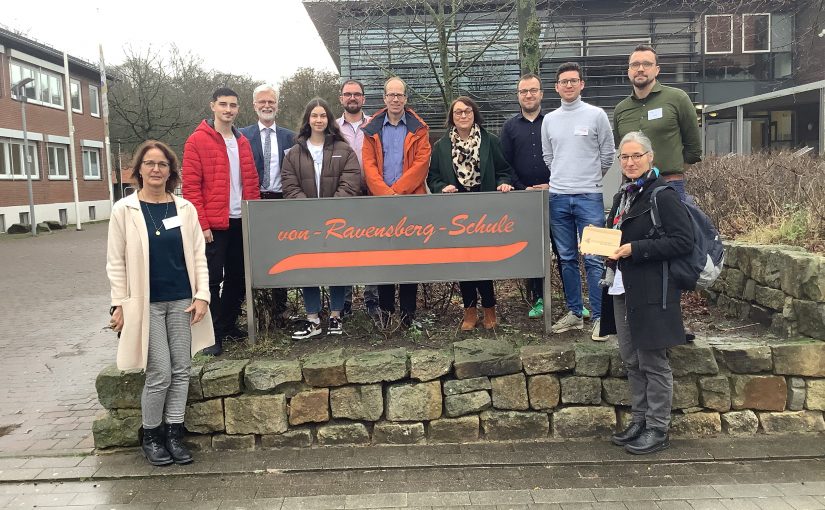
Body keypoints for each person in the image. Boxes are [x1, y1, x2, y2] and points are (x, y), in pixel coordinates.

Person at [107, 140, 214, 466]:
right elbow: (115, 262)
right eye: (150, 164)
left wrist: (203, 295)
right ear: (139, 169)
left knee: (182, 369)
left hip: (182, 300)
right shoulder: (124, 210)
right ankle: (151, 435)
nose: (156, 169)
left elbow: (198, 255)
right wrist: (119, 304)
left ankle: (174, 433)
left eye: (162, 164)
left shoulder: (184, 209)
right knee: (159, 373)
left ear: (171, 171)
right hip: (146, 304)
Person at [597, 131, 693, 455]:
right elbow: (617, 235)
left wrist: (634, 249)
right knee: (631, 358)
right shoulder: (623, 195)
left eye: (637, 156)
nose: (630, 162)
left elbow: (683, 241)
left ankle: (658, 428)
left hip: (653, 290)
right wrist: (604, 247)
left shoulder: (662, 195)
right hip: (622, 286)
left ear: (650, 157)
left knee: (653, 360)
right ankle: (639, 420)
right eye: (625, 157)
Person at [182, 87, 260, 356]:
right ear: (212, 106)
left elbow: (251, 183)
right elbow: (191, 187)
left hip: (242, 220)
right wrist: (201, 224)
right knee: (212, 279)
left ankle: (227, 325)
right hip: (214, 224)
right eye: (223, 104)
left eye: (233, 105)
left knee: (239, 276)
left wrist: (254, 218)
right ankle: (210, 334)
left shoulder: (242, 142)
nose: (228, 110)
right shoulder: (197, 141)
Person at [541, 62, 615, 340]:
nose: (568, 85)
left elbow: (608, 155)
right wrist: (564, 180)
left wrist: (588, 180)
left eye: (573, 80)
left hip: (589, 197)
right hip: (558, 197)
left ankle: (599, 317)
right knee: (566, 258)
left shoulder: (597, 115)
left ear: (582, 84)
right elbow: (550, 158)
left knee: (594, 259)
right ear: (557, 87)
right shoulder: (549, 120)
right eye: (563, 81)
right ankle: (575, 312)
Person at [427, 96, 513, 331]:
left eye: (467, 111)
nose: (463, 115)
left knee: (483, 260)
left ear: (474, 113)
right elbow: (433, 177)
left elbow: (504, 170)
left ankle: (490, 309)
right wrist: (440, 187)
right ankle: (469, 311)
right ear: (451, 117)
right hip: (456, 213)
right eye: (458, 112)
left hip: (484, 211)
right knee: (463, 261)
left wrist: (503, 183)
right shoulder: (442, 146)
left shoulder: (489, 140)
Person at [281, 98, 361, 339]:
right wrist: (308, 211)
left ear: (329, 120)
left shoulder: (343, 149)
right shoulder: (294, 152)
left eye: (323, 116)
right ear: (308, 119)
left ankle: (336, 316)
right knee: (309, 268)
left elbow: (351, 181)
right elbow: (289, 184)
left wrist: (331, 210)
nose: (318, 120)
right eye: (314, 116)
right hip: (306, 223)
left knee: (337, 267)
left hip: (336, 223)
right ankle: (313, 319)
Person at [362, 76, 432, 329]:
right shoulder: (371, 128)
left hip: (410, 203)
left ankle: (408, 315)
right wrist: (385, 194)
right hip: (380, 205)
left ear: (405, 98)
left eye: (399, 95)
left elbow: (421, 165)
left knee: (409, 260)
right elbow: (368, 165)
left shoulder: (419, 128)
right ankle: (387, 313)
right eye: (390, 95)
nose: (395, 99)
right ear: (384, 98)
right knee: (385, 259)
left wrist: (397, 193)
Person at [499, 73, 565, 320]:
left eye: (533, 90)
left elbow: (563, 157)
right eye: (524, 91)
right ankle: (538, 298)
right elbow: (505, 164)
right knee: (535, 252)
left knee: (563, 250)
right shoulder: (509, 127)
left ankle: (572, 300)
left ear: (541, 93)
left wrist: (553, 183)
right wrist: (521, 188)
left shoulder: (554, 122)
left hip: (555, 194)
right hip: (526, 199)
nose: (528, 95)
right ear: (518, 96)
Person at [613, 44, 702, 203]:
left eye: (646, 64)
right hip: (632, 188)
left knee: (673, 228)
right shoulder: (621, 109)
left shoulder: (677, 99)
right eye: (635, 65)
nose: (640, 69)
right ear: (628, 71)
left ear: (657, 70)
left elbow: (693, 150)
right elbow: (621, 152)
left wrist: (672, 172)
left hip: (669, 185)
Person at [240, 84, 296, 328]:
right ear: (254, 106)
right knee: (252, 256)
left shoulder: (290, 137)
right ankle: (254, 309)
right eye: (262, 102)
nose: (266, 105)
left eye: (271, 101)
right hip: (252, 201)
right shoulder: (241, 136)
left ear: (277, 105)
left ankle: (279, 311)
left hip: (280, 202)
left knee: (279, 255)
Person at [336, 79, 379, 319]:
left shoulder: (375, 125)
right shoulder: (332, 128)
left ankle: (372, 298)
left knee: (372, 248)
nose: (352, 98)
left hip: (372, 195)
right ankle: (344, 301)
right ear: (341, 98)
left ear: (364, 98)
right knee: (345, 249)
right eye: (348, 94)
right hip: (344, 197)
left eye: (357, 94)